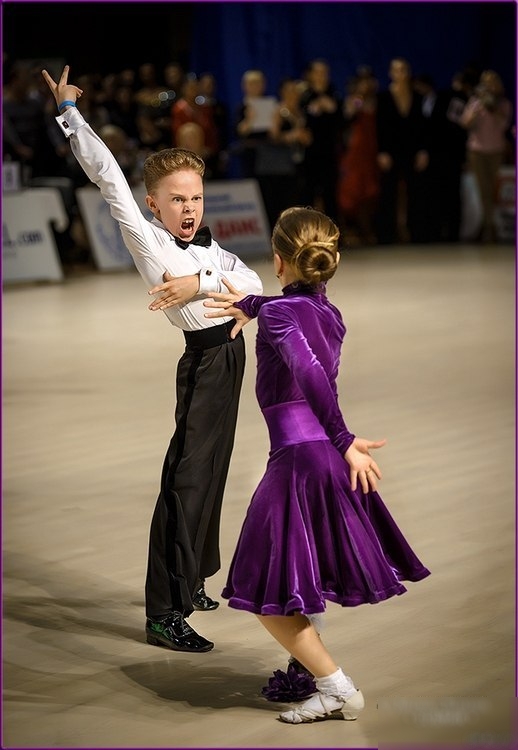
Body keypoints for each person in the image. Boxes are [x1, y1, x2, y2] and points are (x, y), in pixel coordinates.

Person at [42, 65, 263, 654]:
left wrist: (201, 283)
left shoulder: (210, 247)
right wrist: (70, 114)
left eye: (196, 198)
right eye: (177, 200)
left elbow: (254, 283)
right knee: (185, 484)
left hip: (232, 359)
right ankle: (164, 612)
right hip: (205, 365)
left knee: (214, 474)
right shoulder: (148, 238)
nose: (189, 209)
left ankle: (193, 580)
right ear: (153, 204)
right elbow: (108, 176)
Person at [203, 206, 430, 723]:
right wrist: (253, 304)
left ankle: (336, 688)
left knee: (261, 585)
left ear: (278, 260)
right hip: (320, 454)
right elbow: (295, 313)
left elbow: (309, 373)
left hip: (300, 460)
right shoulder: (329, 313)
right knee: (296, 576)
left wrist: (344, 438)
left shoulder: (281, 315)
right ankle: (308, 673)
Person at [459, 69, 513, 243]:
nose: (489, 86)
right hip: (477, 151)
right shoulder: (475, 102)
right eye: (486, 82)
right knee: (483, 189)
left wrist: (493, 107)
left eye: (492, 82)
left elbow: (504, 124)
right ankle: (489, 227)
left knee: (491, 189)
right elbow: (465, 122)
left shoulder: (504, 104)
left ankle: (488, 226)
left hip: (495, 151)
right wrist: (477, 107)